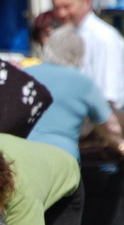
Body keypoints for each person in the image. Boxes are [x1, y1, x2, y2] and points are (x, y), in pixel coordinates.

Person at [24, 25, 124, 161]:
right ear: (79, 54)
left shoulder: (26, 74)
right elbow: (110, 127)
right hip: (63, 157)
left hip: (24, 153)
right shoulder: (84, 83)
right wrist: (120, 145)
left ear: (49, 48)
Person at [51, 0, 124, 110]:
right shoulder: (70, 33)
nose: (61, 13)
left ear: (86, 2)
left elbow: (108, 95)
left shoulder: (103, 37)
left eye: (67, 6)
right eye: (57, 8)